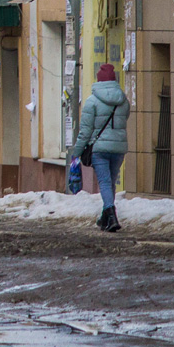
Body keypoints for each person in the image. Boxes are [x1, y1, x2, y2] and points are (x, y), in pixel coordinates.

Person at [72, 62, 130, 232]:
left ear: (99, 80)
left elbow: (85, 131)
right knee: (110, 181)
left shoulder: (92, 101)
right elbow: (124, 119)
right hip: (119, 147)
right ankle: (105, 217)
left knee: (104, 182)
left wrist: (77, 152)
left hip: (99, 149)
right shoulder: (123, 101)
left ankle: (111, 215)